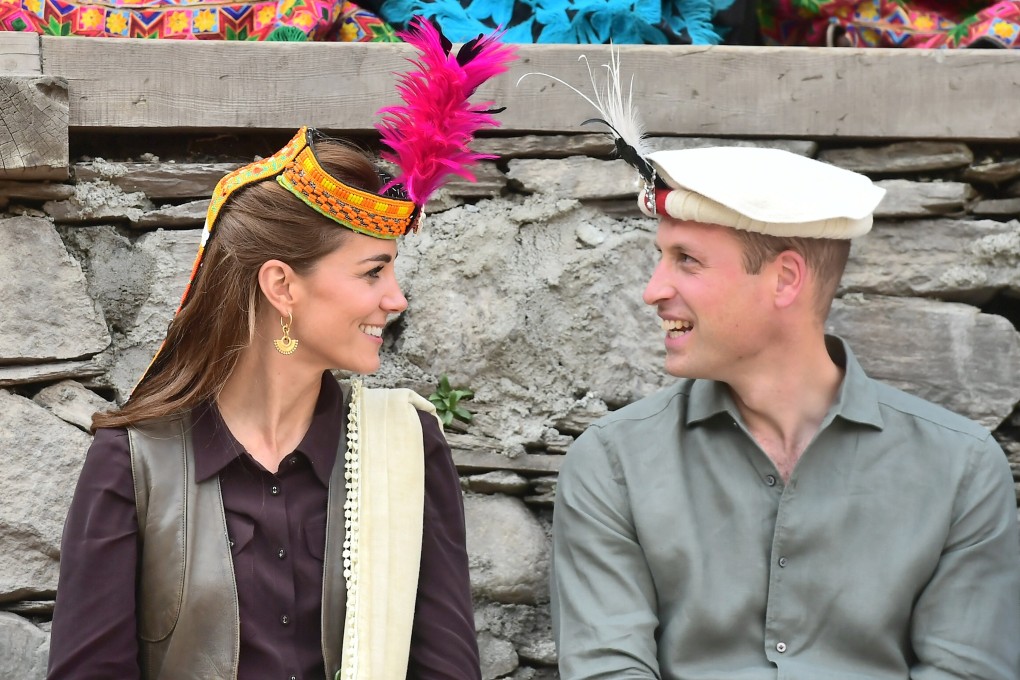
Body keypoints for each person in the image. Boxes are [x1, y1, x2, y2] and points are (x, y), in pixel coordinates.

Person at [47, 19, 516, 680]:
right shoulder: (132, 465)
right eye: (373, 272)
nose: (396, 299)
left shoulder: (408, 446)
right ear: (281, 286)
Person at [547, 121, 1020, 675]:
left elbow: (968, 670)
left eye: (687, 261)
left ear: (785, 279)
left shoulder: (960, 467)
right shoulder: (612, 463)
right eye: (663, 257)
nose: (653, 290)